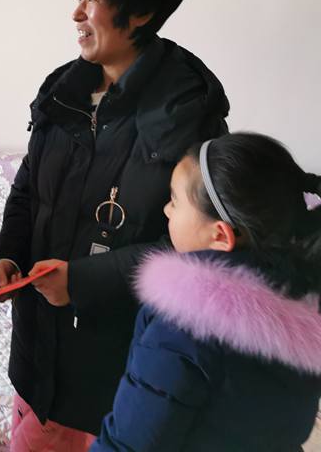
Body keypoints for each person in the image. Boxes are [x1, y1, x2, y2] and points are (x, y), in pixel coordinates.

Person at [0, 0, 230, 451]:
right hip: (36, 352)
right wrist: (8, 254)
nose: (76, 14)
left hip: (118, 366)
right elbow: (28, 188)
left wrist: (82, 282)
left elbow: (197, 245)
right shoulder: (63, 91)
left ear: (140, 13)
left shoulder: (188, 112)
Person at [91, 132, 321, 451]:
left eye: (175, 201)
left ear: (220, 235)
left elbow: (130, 444)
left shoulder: (182, 329)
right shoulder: (305, 306)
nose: (166, 210)